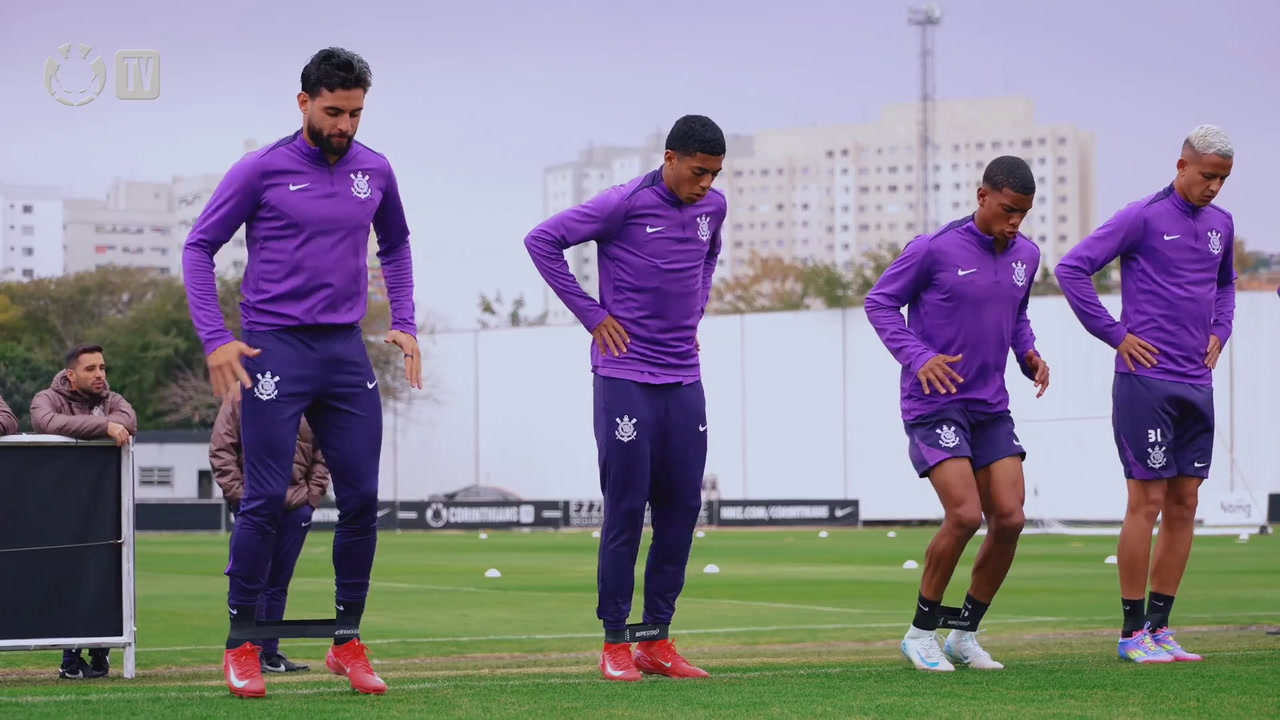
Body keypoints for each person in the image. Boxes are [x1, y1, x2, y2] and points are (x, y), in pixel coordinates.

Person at [182, 46, 421, 698]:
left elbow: (396, 243)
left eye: (356, 113)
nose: (345, 125)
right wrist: (216, 339)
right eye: (334, 111)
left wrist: (406, 319)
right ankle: (244, 644)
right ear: (304, 103)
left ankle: (347, 642)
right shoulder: (261, 169)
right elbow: (199, 246)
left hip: (345, 352)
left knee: (364, 501)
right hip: (273, 351)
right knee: (264, 500)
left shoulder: (375, 169)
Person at [524, 115, 727, 682]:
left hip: (684, 376)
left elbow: (707, 260)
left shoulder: (715, 208)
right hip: (625, 374)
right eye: (697, 171)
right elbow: (541, 241)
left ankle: (656, 639)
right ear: (669, 158)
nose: (705, 184)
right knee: (626, 507)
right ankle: (615, 640)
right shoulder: (622, 203)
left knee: (683, 510)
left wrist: (699, 303)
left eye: (714, 174)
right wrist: (592, 315)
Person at [1055, 124, 1236, 664]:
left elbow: (1225, 285)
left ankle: (1161, 628)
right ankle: (1132, 634)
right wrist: (1115, 334)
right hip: (1146, 384)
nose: (1214, 188)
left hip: (1195, 384)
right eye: (1207, 176)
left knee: (1186, 504)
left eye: (1223, 179)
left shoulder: (1221, 225)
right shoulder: (1141, 217)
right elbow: (1072, 268)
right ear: (1181, 166)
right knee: (1148, 502)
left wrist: (1220, 332)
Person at [864, 156, 1050, 673]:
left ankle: (964, 634)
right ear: (982, 196)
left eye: (1024, 213)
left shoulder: (1026, 255)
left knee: (1010, 518)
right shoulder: (933, 248)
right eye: (1009, 210)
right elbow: (879, 302)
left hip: (991, 408)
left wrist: (1028, 354)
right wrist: (919, 358)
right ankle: (920, 633)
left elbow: (1017, 315)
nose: (1015, 222)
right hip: (934, 404)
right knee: (966, 514)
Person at [29, 343, 138, 679]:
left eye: (103, 368)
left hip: (106, 507)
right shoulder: (45, 397)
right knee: (69, 580)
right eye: (91, 369)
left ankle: (100, 655)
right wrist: (103, 428)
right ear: (71, 375)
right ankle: (70, 660)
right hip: (60, 508)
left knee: (109, 576)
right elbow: (45, 422)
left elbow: (129, 419)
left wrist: (107, 423)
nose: (100, 375)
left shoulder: (112, 399)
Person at [210, 389, 332, 674]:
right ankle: (245, 652)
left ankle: (270, 653)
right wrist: (242, 497)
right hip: (255, 505)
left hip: (297, 505)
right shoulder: (240, 395)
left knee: (278, 583)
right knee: (249, 579)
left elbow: (324, 451)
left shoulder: (311, 395)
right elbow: (221, 449)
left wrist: (311, 496)